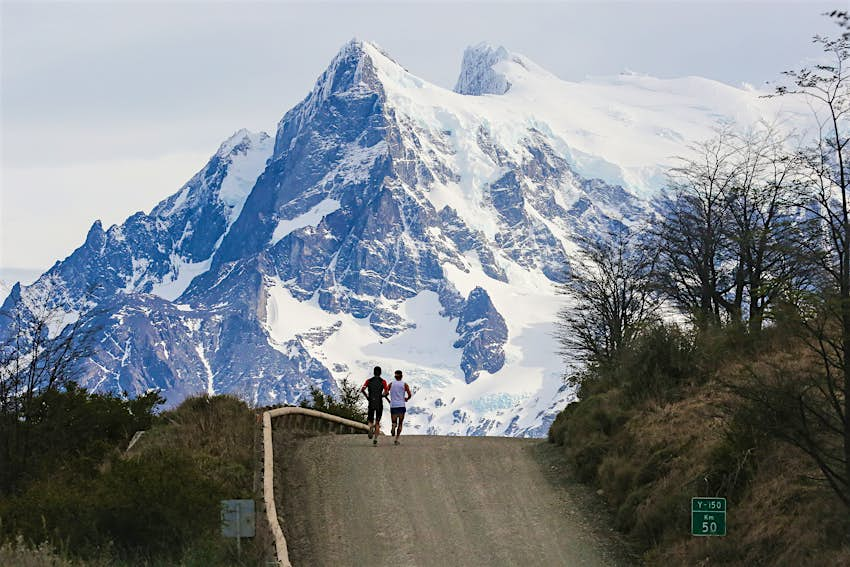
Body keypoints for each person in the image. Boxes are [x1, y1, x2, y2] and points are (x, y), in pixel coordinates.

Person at [360, 366, 388, 446]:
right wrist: (382, 395)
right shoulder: (383, 381)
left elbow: (362, 389)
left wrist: (367, 397)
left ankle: (370, 427)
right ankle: (375, 439)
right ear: (380, 373)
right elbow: (386, 392)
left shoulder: (368, 381)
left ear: (373, 372)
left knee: (370, 420)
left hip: (371, 402)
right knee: (378, 422)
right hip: (379, 403)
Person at [387, 369, 412, 445]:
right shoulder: (404, 384)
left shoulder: (391, 384)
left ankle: (393, 425)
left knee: (394, 421)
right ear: (402, 376)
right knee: (400, 423)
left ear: (395, 376)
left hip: (393, 405)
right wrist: (406, 399)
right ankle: (396, 439)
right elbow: (409, 394)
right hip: (401, 405)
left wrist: (389, 400)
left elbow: (384, 393)